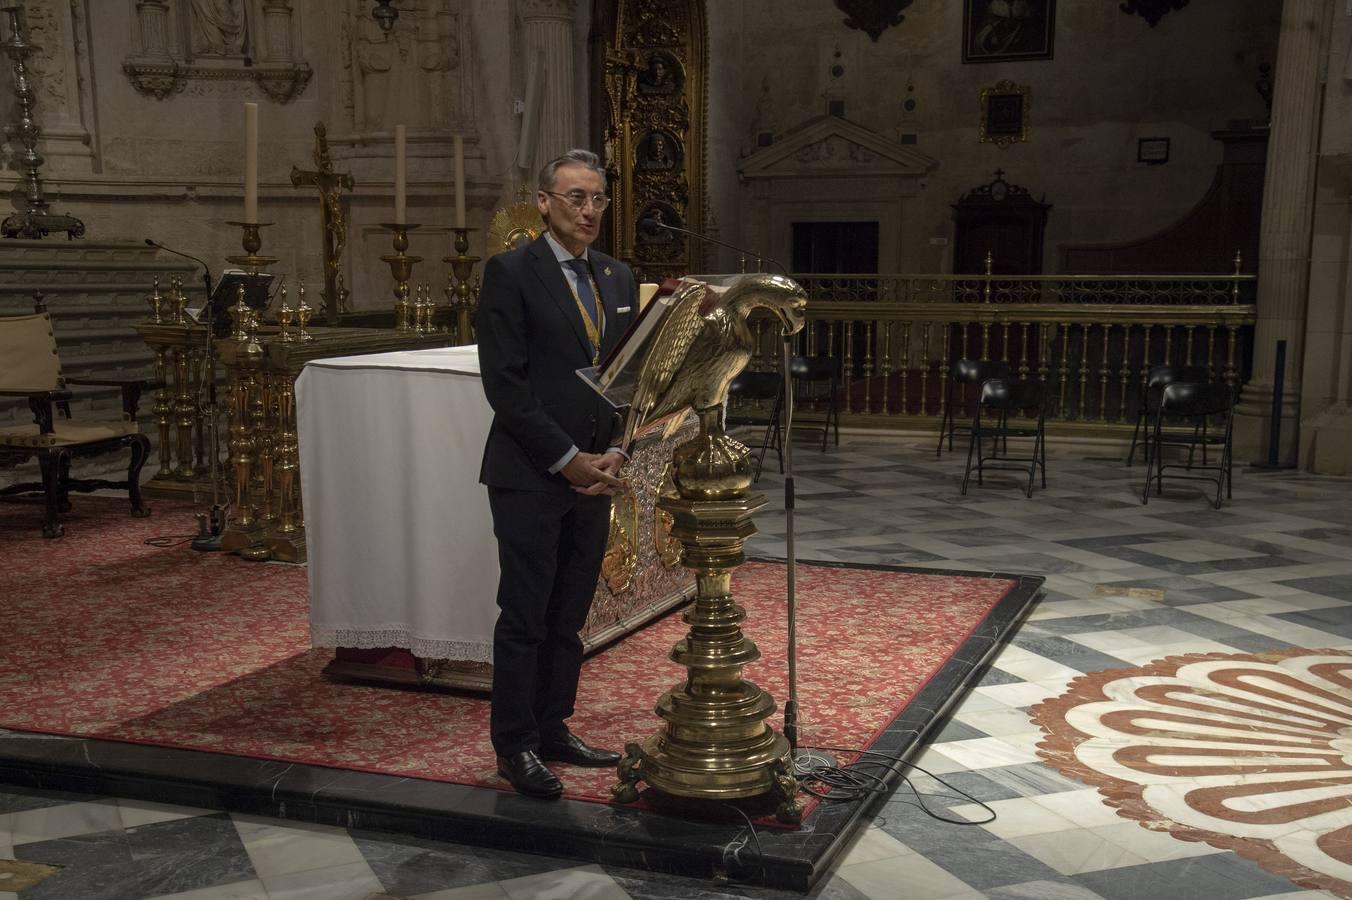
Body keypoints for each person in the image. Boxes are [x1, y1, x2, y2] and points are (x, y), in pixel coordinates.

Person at [476, 149, 636, 799]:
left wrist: (617, 451)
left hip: (597, 473)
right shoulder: (510, 273)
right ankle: (514, 745)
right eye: (574, 197)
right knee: (526, 614)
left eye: (597, 198)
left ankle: (551, 726)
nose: (589, 210)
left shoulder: (619, 277)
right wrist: (568, 460)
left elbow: (625, 377)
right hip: (531, 473)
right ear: (543, 202)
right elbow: (506, 388)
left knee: (568, 614)